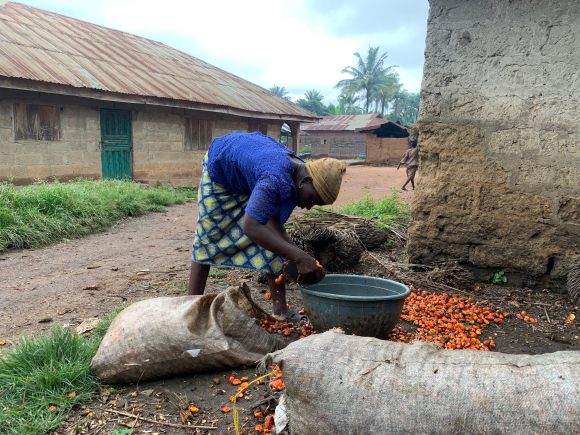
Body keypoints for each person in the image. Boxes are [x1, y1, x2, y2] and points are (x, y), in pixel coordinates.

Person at [188, 131, 346, 321]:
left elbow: (273, 226)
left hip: (252, 172)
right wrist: (300, 256)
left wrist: (297, 256)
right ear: (305, 181)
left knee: (275, 244)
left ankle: (281, 310)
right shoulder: (274, 179)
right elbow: (251, 228)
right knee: (208, 239)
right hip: (222, 169)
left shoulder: (295, 171)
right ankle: (191, 310)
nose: (309, 207)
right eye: (312, 200)